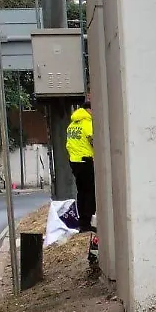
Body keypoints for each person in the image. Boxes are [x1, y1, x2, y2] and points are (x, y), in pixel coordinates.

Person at [66, 98, 95, 232]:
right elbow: (94, 139)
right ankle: (86, 223)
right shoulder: (87, 123)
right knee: (90, 193)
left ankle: (82, 221)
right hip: (86, 161)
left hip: (75, 162)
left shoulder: (72, 125)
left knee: (81, 192)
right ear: (89, 110)